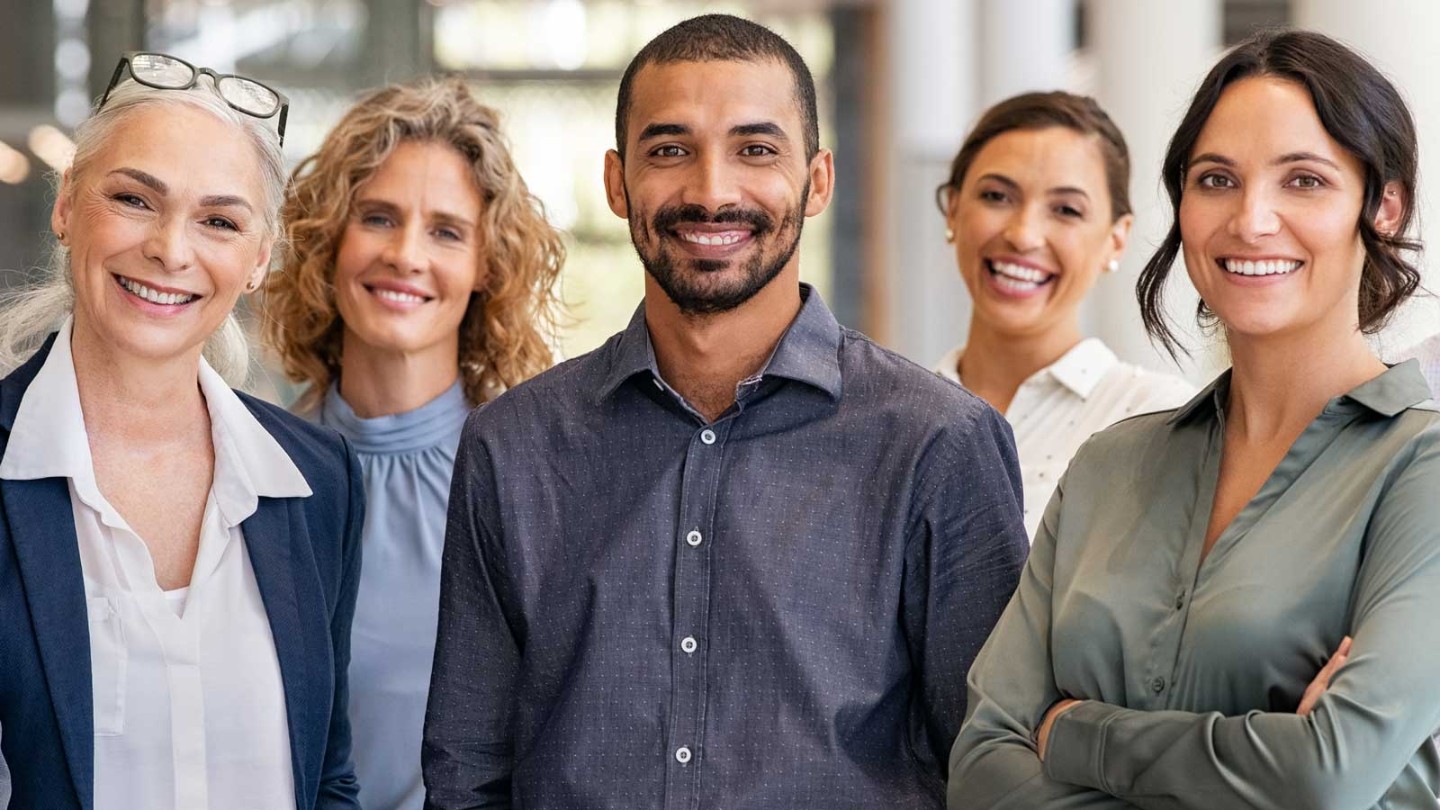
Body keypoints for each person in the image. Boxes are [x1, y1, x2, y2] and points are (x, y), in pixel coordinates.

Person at [422, 14, 1029, 809]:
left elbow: (993, 771)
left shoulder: (938, 445)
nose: (711, 191)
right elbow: (467, 775)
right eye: (670, 150)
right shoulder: (513, 447)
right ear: (617, 182)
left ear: (817, 181)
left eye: (756, 149)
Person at [949, 29, 1440, 809]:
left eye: (1304, 181)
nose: (1251, 220)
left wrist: (1078, 735)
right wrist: (1263, 768)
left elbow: (1328, 773)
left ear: (1384, 206)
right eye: (1216, 179)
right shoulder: (1107, 466)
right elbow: (979, 768)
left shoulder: (1422, 472)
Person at [0, 52, 362, 809]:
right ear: (67, 205)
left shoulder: (318, 479)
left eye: (220, 221)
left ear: (258, 259)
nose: (171, 248)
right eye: (134, 199)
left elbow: (326, 772)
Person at [262, 76, 563, 810]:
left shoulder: (533, 481)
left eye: (446, 231)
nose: (405, 254)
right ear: (330, 240)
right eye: (377, 217)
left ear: (486, 266)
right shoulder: (253, 468)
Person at [934, 92, 1194, 538]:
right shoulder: (892, 414)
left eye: (1066, 210)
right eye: (997, 196)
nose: (1023, 235)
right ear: (954, 208)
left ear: (1116, 239)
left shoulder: (1161, 422)